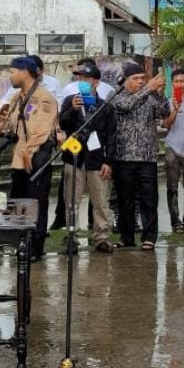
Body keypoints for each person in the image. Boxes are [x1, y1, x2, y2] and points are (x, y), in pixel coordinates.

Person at [0, 56, 57, 261]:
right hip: (20, 159)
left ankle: (35, 247)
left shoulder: (44, 98)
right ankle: (21, 242)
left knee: (36, 203)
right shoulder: (17, 98)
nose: (10, 76)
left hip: (36, 158)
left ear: (24, 72)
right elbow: (10, 126)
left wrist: (30, 151)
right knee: (19, 202)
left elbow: (42, 131)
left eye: (12, 71)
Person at [58, 64, 116, 254]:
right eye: (79, 79)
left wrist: (109, 162)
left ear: (96, 82)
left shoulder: (105, 107)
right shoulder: (69, 101)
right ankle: (72, 236)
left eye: (86, 79)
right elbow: (63, 123)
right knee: (72, 201)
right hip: (73, 158)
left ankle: (101, 237)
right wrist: (73, 110)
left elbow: (111, 136)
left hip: (97, 160)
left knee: (100, 201)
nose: (82, 82)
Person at [111, 63, 167, 251]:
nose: (141, 82)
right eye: (136, 78)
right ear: (126, 80)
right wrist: (147, 90)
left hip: (147, 156)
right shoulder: (117, 96)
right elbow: (126, 106)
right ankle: (126, 236)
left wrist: (158, 93)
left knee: (149, 198)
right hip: (123, 156)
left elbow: (164, 112)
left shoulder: (150, 96)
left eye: (143, 78)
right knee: (124, 200)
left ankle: (149, 236)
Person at [162, 68, 184, 234]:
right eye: (176, 82)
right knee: (172, 188)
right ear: (172, 83)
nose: (179, 84)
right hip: (171, 148)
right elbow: (166, 125)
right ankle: (175, 222)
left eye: (182, 81)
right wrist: (175, 109)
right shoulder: (166, 102)